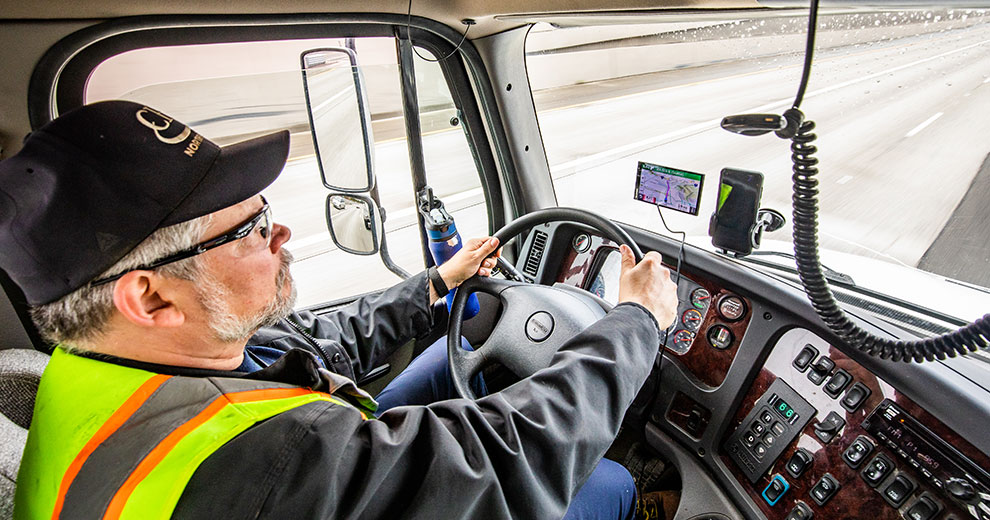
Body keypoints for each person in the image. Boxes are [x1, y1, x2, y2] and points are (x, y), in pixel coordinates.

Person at [1, 101, 679, 519]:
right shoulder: (267, 462)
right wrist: (636, 322)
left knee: (450, 356)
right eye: (249, 229)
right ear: (150, 296)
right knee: (612, 481)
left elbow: (307, 344)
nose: (283, 235)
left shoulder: (102, 365)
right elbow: (504, 459)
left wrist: (439, 283)